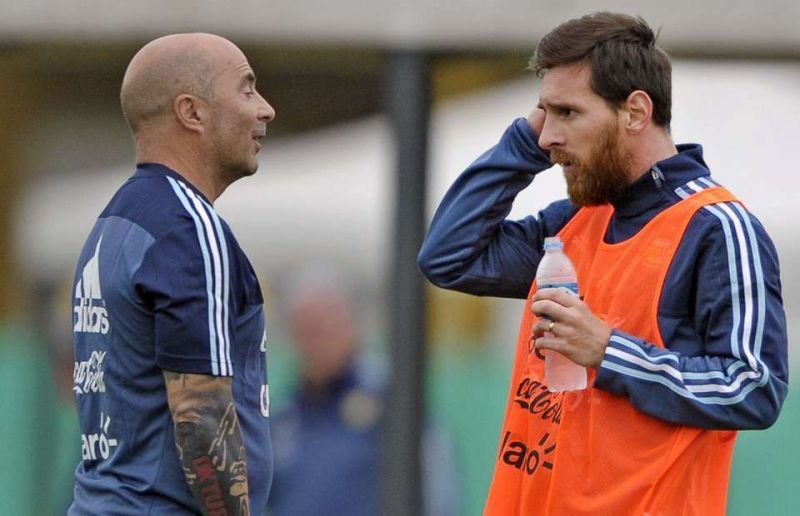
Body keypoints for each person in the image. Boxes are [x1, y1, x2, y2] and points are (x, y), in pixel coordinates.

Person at [417, 12, 788, 515]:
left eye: (567, 113)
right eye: (544, 114)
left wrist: (609, 352)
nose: (548, 136)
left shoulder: (717, 227)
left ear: (635, 112)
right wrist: (522, 143)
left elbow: (754, 386)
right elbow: (449, 257)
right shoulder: (579, 218)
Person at [69, 33, 276, 515]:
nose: (265, 110)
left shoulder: (115, 222)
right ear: (192, 112)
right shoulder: (188, 228)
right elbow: (202, 418)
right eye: (247, 89)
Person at [267, 265, 460, 516]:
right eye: (305, 328)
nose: (316, 340)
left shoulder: (391, 399)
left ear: (352, 324)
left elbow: (438, 488)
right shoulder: (284, 417)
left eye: (325, 325)